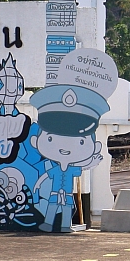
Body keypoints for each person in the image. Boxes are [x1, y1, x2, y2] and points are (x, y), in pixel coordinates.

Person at [29, 85, 107, 232]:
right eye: (51, 138)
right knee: (52, 208)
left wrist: (92, 162)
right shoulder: (56, 169)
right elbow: (46, 175)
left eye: (80, 141)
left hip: (67, 195)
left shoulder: (71, 169)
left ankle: (65, 225)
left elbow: (82, 168)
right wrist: (37, 185)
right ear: (35, 141)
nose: (65, 146)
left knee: (66, 210)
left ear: (95, 147)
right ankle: (49, 224)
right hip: (54, 195)